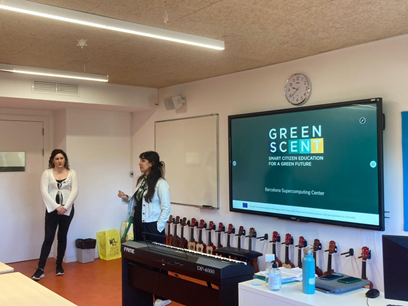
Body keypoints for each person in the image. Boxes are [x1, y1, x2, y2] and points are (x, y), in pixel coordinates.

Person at [118, 151, 171, 306]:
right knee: (142, 258)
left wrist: (158, 227)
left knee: (157, 261)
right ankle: (146, 289)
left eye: (143, 161)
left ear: (151, 164)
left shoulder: (161, 183)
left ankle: (163, 296)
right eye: (140, 160)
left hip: (153, 226)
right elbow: (139, 202)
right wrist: (126, 198)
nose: (140, 163)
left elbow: (166, 208)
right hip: (140, 224)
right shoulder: (141, 181)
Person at [32, 149, 78, 281]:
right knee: (48, 239)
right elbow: (44, 192)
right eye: (57, 158)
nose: (59, 161)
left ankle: (59, 265)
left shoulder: (72, 173)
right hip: (52, 210)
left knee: (62, 237)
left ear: (65, 160)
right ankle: (40, 268)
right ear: (52, 160)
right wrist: (57, 207)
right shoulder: (46, 173)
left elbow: (74, 191)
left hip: (67, 210)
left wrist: (65, 207)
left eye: (62, 158)